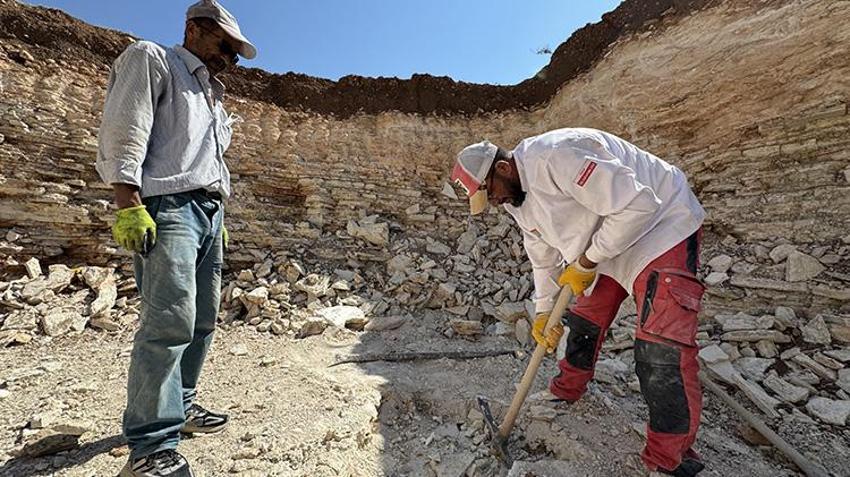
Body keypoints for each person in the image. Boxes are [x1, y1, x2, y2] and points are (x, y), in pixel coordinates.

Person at [451, 128, 707, 476]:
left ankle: (670, 460)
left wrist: (586, 262)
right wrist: (543, 312)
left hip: (660, 229)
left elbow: (639, 205)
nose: (493, 203)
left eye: (489, 194)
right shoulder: (516, 199)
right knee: (583, 322)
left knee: (661, 351)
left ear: (502, 168)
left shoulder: (558, 156)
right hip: (603, 244)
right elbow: (542, 257)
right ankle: (565, 390)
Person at [95, 1, 256, 475]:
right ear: (194, 29)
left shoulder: (213, 96)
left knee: (202, 318)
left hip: (208, 211)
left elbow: (209, 160)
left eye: (236, 53)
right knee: (168, 321)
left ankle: (181, 406)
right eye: (225, 45)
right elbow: (126, 129)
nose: (231, 57)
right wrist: (128, 203)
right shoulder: (153, 59)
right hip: (168, 208)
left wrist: (217, 210)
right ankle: (149, 446)